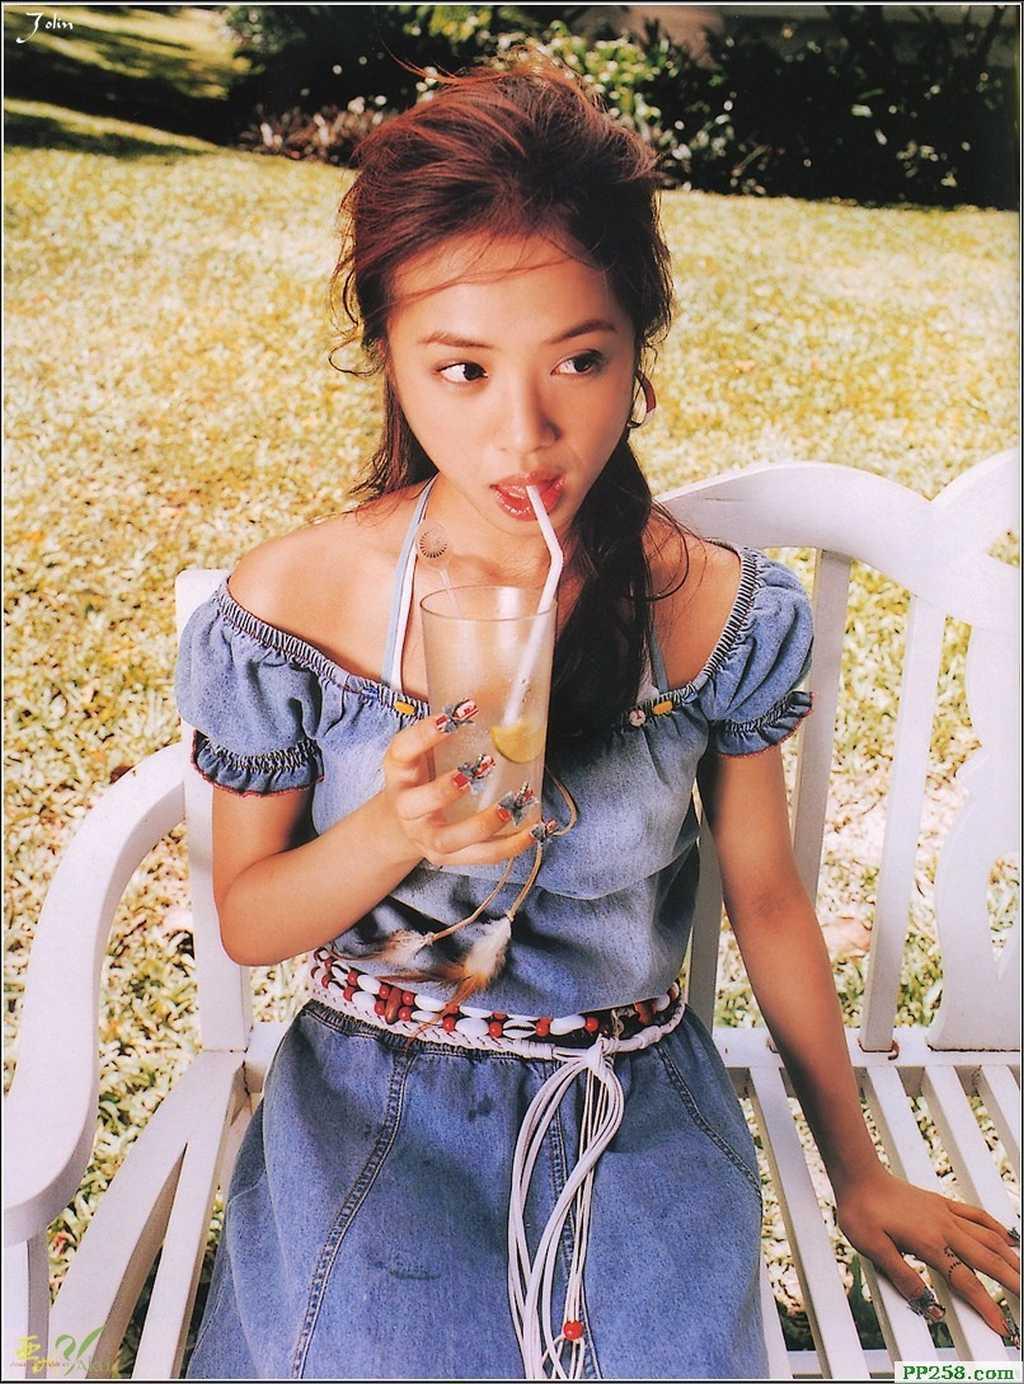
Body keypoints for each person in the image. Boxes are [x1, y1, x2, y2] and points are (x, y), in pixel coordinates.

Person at [176, 54, 1020, 1382]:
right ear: (388, 356)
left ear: (639, 351)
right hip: (377, 1098)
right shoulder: (298, 606)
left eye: (580, 358)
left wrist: (857, 1170)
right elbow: (250, 919)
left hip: (631, 1107)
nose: (525, 434)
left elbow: (768, 901)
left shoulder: (708, 610)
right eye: (462, 370)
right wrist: (396, 830)